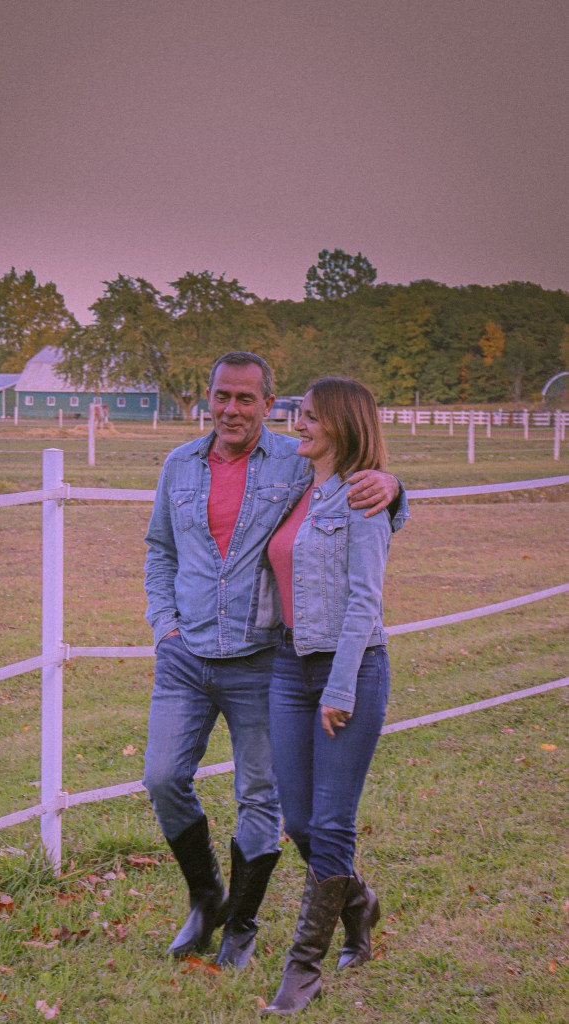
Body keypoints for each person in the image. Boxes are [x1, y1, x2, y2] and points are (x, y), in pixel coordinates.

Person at [143, 353, 406, 969]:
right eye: (222, 396)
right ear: (208, 396)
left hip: (261, 657)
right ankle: (207, 898)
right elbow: (160, 550)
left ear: (267, 403)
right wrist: (164, 627)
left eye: (246, 399)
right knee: (161, 778)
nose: (232, 410)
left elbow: (359, 484)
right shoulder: (178, 465)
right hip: (185, 655)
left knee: (259, 796)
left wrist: (395, 487)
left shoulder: (296, 459)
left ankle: (241, 923)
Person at [248, 377, 405, 1015]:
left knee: (333, 822)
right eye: (299, 414)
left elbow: (366, 600)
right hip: (290, 666)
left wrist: (340, 686)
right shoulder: (296, 484)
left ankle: (303, 970)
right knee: (299, 821)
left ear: (342, 424)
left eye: (311, 416)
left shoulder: (363, 495)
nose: (298, 424)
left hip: (352, 668)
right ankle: (358, 901)